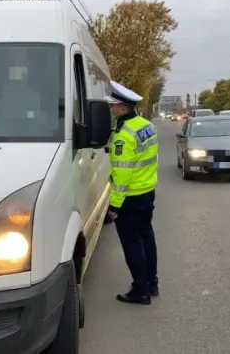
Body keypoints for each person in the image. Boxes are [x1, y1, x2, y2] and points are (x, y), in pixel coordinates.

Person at [105, 80, 159, 305]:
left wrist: (115, 206)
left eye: (113, 105)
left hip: (130, 198)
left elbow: (122, 175)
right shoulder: (145, 125)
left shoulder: (123, 136)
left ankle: (140, 291)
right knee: (146, 237)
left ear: (124, 107)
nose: (111, 108)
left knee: (131, 243)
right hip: (147, 191)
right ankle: (152, 283)